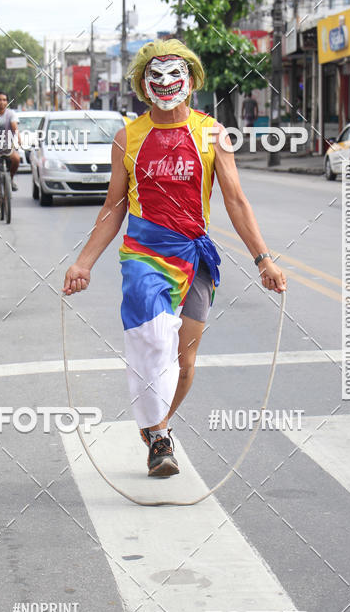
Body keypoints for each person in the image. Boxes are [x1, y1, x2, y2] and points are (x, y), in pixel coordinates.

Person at [63, 40, 286, 478]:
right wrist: (84, 262)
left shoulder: (211, 134)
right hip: (144, 254)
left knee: (184, 362)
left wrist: (264, 260)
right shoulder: (129, 137)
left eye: (174, 74)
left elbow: (236, 202)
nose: (165, 83)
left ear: (191, 80)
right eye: (155, 75)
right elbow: (114, 207)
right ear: (143, 84)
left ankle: (157, 427)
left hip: (196, 255)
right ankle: (160, 437)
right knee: (155, 338)